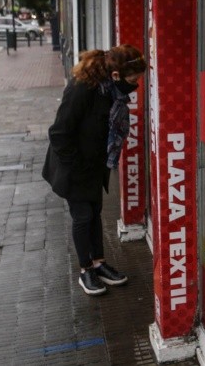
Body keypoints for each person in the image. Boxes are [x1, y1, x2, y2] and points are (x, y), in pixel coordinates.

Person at [42, 44, 147, 296]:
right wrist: (77, 167)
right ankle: (85, 270)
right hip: (73, 167)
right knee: (83, 216)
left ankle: (99, 263)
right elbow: (58, 133)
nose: (136, 85)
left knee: (95, 212)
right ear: (115, 75)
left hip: (93, 164)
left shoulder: (111, 90)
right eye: (133, 80)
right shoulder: (83, 88)